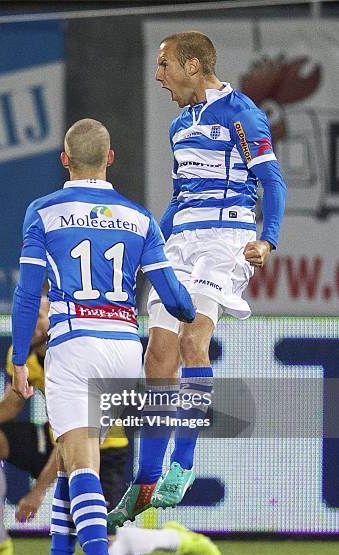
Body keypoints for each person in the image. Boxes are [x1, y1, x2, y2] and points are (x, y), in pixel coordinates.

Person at [10, 118, 195, 555]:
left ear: (65, 159)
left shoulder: (44, 212)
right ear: (110, 159)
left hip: (73, 345)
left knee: (81, 462)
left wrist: (15, 356)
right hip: (122, 349)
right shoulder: (138, 218)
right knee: (75, 464)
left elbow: (28, 296)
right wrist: (194, 315)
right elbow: (174, 296)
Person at [108, 31, 287, 528]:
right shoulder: (180, 127)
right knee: (157, 354)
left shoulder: (242, 113)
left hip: (225, 240)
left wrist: (267, 239)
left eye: (164, 65)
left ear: (192, 65)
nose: (158, 76)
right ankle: (144, 482)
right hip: (182, 243)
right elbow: (180, 199)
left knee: (192, 340)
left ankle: (182, 467)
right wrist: (149, 247)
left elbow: (272, 180)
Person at [0, 297, 130, 555]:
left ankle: (172, 538)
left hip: (101, 448)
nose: (30, 325)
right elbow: (12, 403)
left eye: (38, 317)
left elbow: (76, 437)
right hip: (59, 439)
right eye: (24, 318)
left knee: (104, 543)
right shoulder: (21, 353)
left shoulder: (78, 354)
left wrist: (38, 491)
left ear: (53, 319)